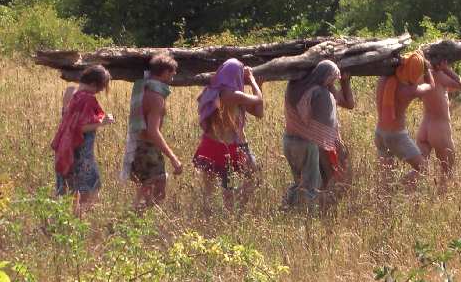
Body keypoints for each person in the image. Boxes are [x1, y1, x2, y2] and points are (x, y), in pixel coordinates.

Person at [193, 58, 265, 210]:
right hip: (228, 147)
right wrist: (252, 80)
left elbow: (258, 112)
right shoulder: (232, 95)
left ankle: (208, 214)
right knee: (245, 180)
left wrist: (259, 86)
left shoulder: (211, 91)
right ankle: (231, 212)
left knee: (209, 189)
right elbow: (258, 99)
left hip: (209, 144)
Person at [282, 60, 354, 209]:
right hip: (308, 145)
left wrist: (345, 82)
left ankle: (289, 208)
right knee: (311, 185)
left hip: (288, 141)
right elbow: (323, 128)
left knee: (299, 181)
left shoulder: (296, 88)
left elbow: (348, 104)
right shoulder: (321, 94)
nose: (333, 82)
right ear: (327, 77)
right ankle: (308, 214)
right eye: (333, 79)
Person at [121, 52, 183, 209]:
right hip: (147, 148)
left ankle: (132, 218)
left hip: (139, 145)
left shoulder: (143, 89)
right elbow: (153, 131)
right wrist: (173, 157)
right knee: (157, 192)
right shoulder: (156, 97)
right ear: (165, 72)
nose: (174, 74)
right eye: (173, 71)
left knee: (146, 190)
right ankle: (135, 218)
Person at [52, 65, 114, 211]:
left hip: (65, 150)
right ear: (93, 84)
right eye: (100, 88)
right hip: (81, 153)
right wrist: (103, 123)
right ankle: (80, 220)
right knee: (90, 191)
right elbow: (79, 127)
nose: (99, 91)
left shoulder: (70, 92)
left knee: (71, 194)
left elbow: (71, 120)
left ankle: (69, 221)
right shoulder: (87, 99)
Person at [374, 51, 434, 188]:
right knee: (424, 169)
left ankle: (387, 194)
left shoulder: (383, 79)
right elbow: (431, 85)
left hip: (379, 133)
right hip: (396, 136)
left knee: (385, 178)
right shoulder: (410, 90)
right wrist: (427, 69)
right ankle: (397, 188)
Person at [417, 60, 461, 186]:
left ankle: (402, 188)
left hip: (424, 128)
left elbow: (446, 89)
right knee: (447, 172)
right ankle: (442, 197)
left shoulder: (422, 76)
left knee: (419, 170)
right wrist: (447, 70)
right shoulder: (440, 76)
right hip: (439, 129)